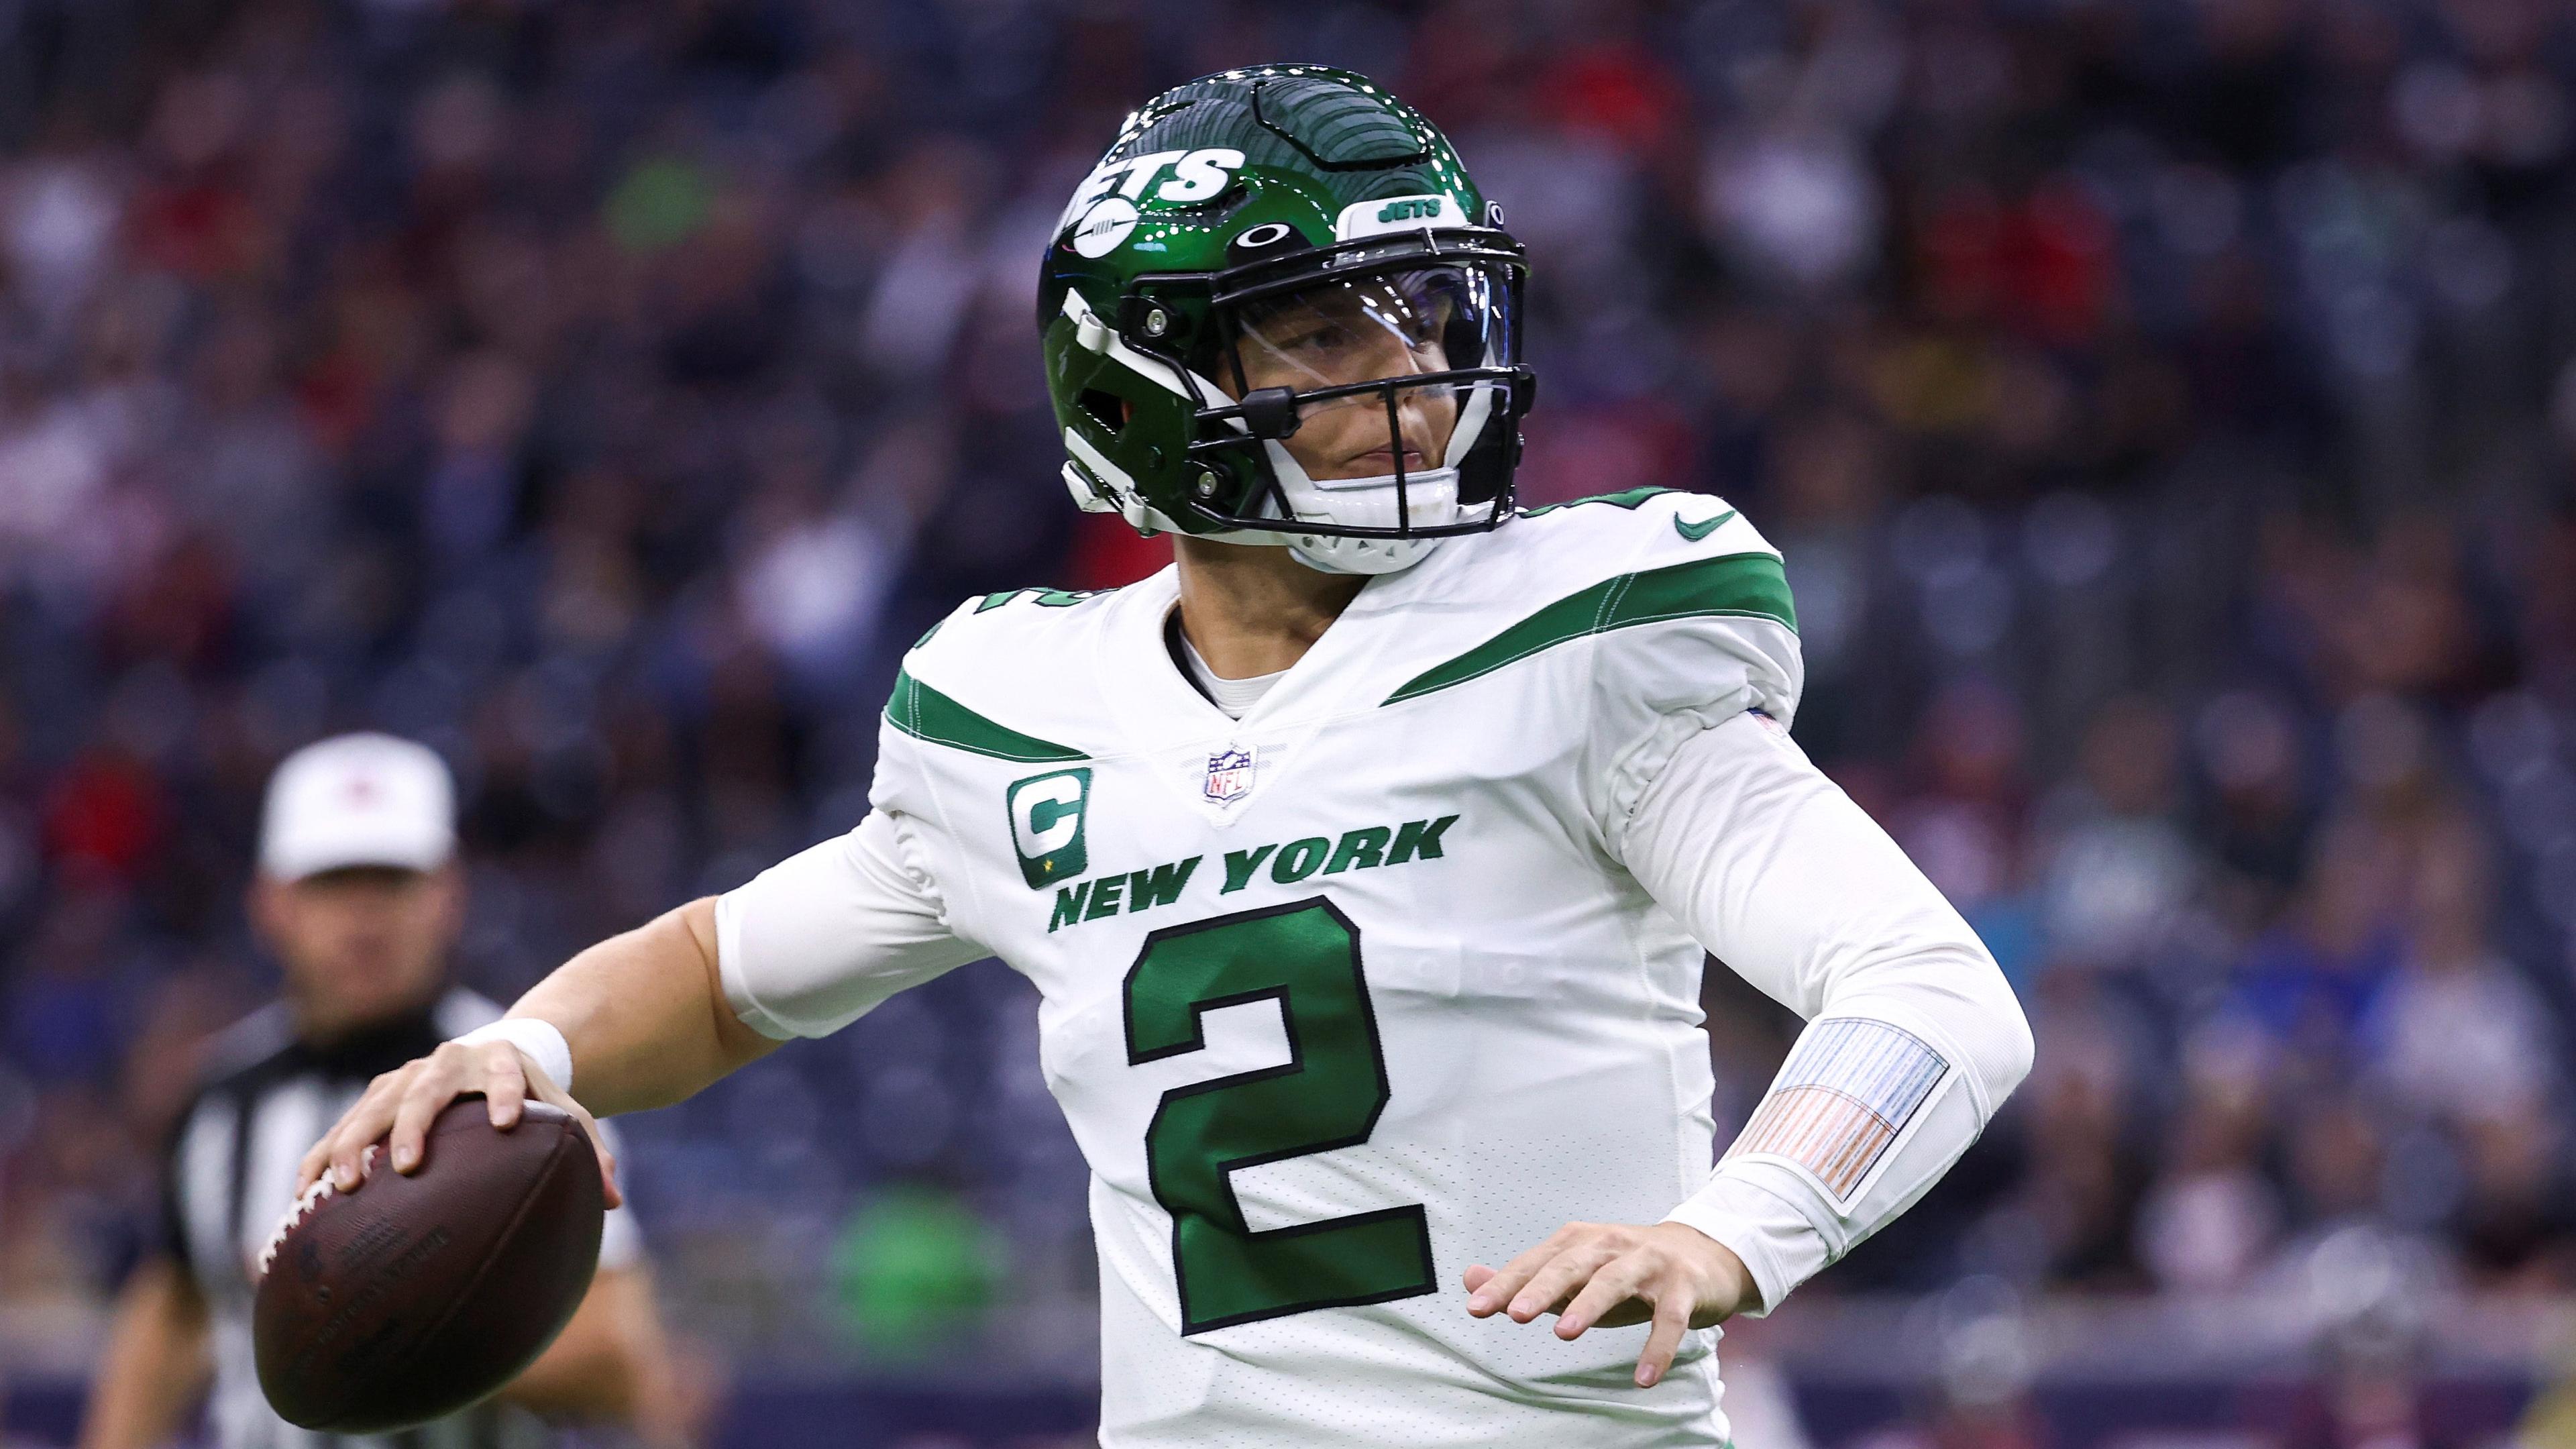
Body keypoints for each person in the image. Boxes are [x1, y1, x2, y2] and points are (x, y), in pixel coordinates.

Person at [303, 66, 2033, 1447]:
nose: (1418, 381)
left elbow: (1929, 991)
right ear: (1143, 386)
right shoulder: (1021, 711)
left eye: (1422, 320)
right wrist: (524, 1049)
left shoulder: (1580, 640)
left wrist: (1728, 1231)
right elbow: (720, 971)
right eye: (1332, 334)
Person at [81, 733, 696, 1449]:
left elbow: (619, 1358)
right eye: (334, 883)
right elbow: (172, 1306)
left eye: (392, 881)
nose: (364, 917)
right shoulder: (220, 1100)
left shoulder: (520, 1082)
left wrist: (387, 1308)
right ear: (271, 903)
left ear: (449, 893)